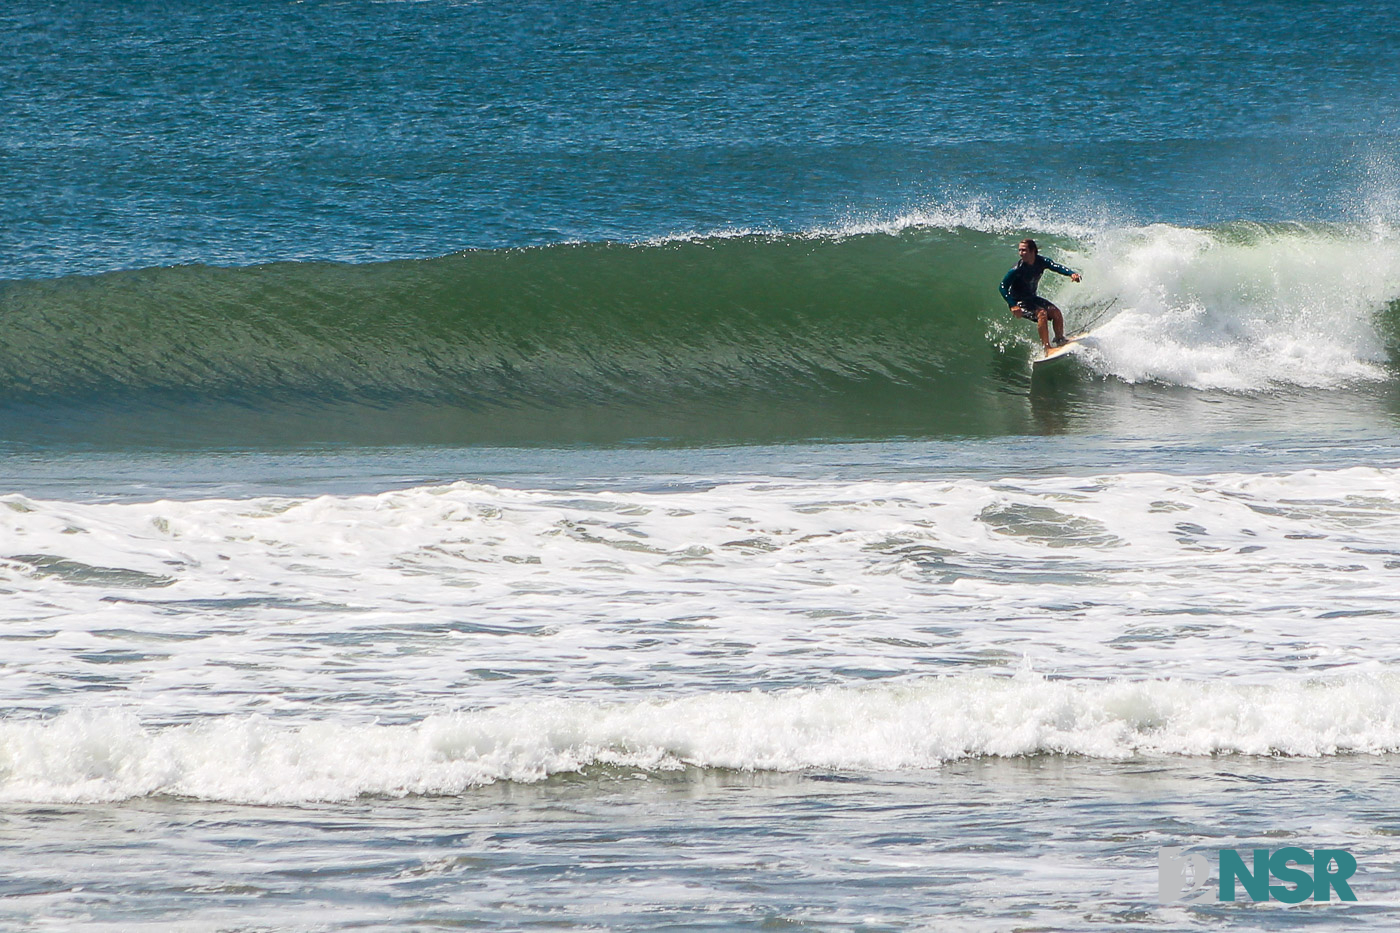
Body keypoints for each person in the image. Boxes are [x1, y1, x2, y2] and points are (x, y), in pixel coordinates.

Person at [1000, 239, 1081, 350]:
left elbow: (1056, 267)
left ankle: (1060, 340)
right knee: (1042, 313)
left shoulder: (1041, 261)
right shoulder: (1017, 269)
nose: (1020, 253)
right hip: (1019, 301)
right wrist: (1013, 305)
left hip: (1032, 298)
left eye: (1024, 250)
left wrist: (1071, 273)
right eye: (1019, 250)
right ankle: (1047, 348)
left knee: (1055, 312)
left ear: (1033, 251)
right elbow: (1003, 286)